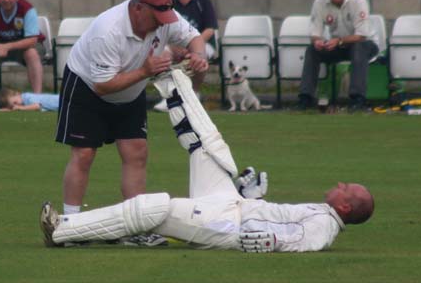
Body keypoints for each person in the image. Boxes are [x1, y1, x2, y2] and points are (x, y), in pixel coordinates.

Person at [41, 64, 374, 252]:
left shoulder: (325, 225)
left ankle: (63, 230)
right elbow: (277, 218)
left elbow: (303, 241)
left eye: (345, 188)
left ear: (346, 207)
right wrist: (252, 196)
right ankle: (172, 81)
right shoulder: (322, 211)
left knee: (155, 207)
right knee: (211, 148)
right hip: (233, 205)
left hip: (226, 225)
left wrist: (271, 240)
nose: (339, 184)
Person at [55, 0, 207, 240]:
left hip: (132, 88)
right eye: (156, 18)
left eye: (165, 18)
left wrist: (199, 56)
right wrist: (145, 72)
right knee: (84, 153)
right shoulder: (109, 30)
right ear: (138, 9)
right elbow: (103, 85)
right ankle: (69, 224)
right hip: (87, 86)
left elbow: (195, 38)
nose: (162, 24)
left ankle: (134, 227)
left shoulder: (165, 17)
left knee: (136, 152)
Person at [297, 0, 379, 111]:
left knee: (358, 48)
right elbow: (315, 32)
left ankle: (357, 99)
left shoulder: (358, 1)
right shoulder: (320, 2)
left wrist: (339, 41)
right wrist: (317, 41)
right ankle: (306, 98)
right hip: (338, 45)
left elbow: (361, 35)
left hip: (365, 44)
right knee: (312, 50)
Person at [153, 0, 218, 112]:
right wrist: (174, 46)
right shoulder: (170, 0)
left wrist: (192, 47)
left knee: (201, 57)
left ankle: (194, 92)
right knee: (162, 54)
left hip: (201, 42)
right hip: (175, 44)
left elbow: (210, 29)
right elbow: (162, 27)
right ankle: (169, 95)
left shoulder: (202, 0)